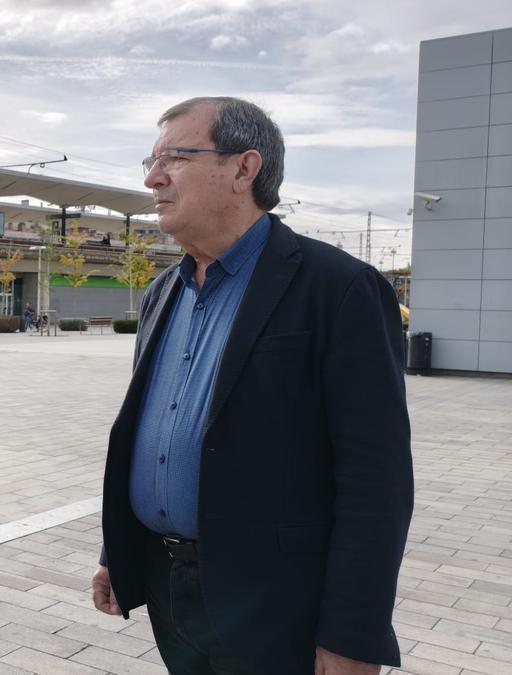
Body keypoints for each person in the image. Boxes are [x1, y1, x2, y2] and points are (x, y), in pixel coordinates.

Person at [91, 97, 412, 675]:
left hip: (276, 600)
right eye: (151, 159)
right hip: (169, 587)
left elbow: (376, 482)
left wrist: (353, 636)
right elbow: (152, 430)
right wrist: (120, 553)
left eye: (175, 158)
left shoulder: (339, 289)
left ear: (245, 169)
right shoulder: (163, 291)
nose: (152, 177)